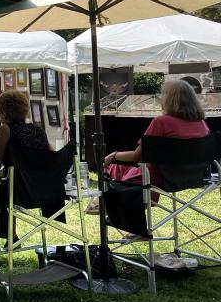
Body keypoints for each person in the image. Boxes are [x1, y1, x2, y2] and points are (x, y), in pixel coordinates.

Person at [90, 79, 210, 214]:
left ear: (169, 99)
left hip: (162, 176)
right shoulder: (201, 124)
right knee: (121, 169)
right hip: (193, 176)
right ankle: (107, 203)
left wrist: (114, 154)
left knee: (115, 167)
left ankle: (106, 203)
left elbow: (137, 156)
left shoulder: (162, 122)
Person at [0, 90, 51, 252]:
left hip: (17, 192)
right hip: (41, 190)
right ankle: (12, 237)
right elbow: (51, 156)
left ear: (4, 111)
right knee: (7, 183)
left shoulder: (5, 130)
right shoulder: (38, 130)